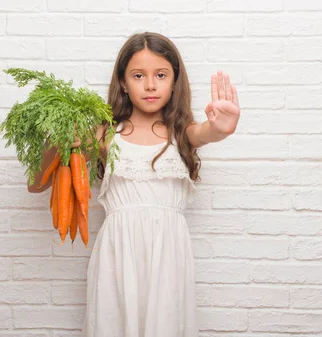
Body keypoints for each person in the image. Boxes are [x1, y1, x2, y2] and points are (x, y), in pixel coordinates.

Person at [28, 32, 240, 337]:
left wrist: (222, 128)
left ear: (174, 82)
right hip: (118, 252)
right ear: (124, 83)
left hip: (169, 254)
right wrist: (59, 139)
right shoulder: (104, 134)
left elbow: (209, 132)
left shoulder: (183, 134)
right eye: (139, 75)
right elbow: (36, 185)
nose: (150, 84)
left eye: (161, 75)